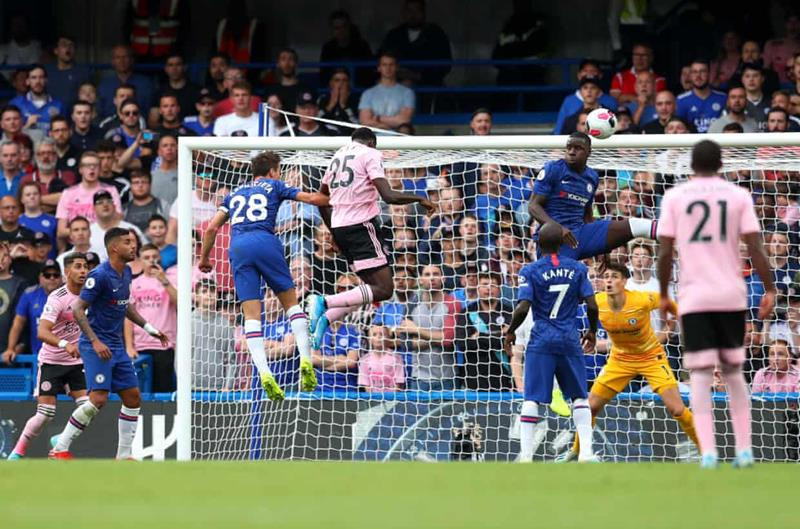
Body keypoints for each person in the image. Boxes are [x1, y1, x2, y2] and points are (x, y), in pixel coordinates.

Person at [656, 139, 776, 469]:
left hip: (695, 297)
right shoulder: (738, 196)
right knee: (735, 372)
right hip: (730, 295)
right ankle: (745, 450)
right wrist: (770, 288)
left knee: (699, 373)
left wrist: (665, 293)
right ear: (721, 164)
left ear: (691, 165)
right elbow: (755, 247)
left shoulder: (675, 197)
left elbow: (665, 251)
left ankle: (708, 453)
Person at [198, 151, 330, 400]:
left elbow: (213, 228)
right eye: (278, 170)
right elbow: (312, 199)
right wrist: (333, 196)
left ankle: (263, 371)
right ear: (272, 171)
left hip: (238, 247)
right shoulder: (275, 184)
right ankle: (305, 359)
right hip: (265, 241)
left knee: (251, 317)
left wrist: (204, 259)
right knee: (292, 305)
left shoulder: (234, 193)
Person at [556, 261, 699, 462]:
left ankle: (707, 450)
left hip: (651, 358)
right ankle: (577, 451)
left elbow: (669, 303)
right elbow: (583, 320)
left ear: (624, 281)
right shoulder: (597, 303)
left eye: (614, 277)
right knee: (590, 407)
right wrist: (590, 336)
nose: (609, 281)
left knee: (676, 409)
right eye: (606, 277)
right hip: (620, 360)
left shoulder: (642, 299)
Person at [307, 128, 435, 348]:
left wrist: (334, 233)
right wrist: (419, 199)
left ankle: (326, 320)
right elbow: (389, 196)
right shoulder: (370, 153)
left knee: (366, 289)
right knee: (385, 290)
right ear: (372, 142)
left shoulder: (337, 156)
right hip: (361, 227)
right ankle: (323, 301)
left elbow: (322, 199)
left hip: (341, 228)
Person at [49, 228, 169, 460]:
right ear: (114, 248)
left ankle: (123, 456)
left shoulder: (124, 272)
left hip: (116, 346)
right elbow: (77, 309)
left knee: (133, 396)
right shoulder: (100, 275)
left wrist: (149, 328)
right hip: (96, 346)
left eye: (133, 242)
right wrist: (94, 342)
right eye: (127, 242)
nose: (133, 246)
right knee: (98, 399)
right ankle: (59, 448)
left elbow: (125, 305)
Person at [503, 222, 598, 463]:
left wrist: (511, 331)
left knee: (532, 398)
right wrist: (593, 331)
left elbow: (523, 306)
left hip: (542, 338)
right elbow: (592, 305)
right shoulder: (578, 268)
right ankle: (586, 453)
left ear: (537, 243)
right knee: (579, 397)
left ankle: (525, 457)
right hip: (569, 337)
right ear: (563, 242)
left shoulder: (530, 270)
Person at [4, 254, 88, 459]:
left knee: (89, 408)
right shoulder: (58, 298)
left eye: (86, 266)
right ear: (67, 273)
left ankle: (61, 440)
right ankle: (17, 452)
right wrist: (64, 343)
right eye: (78, 267)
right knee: (45, 414)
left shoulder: (89, 296)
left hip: (76, 362)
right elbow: (42, 331)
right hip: (52, 361)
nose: (83, 270)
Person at [528, 132, 657, 261]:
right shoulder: (553, 169)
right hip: (555, 242)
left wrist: (600, 248)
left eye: (578, 148)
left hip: (581, 233)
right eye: (569, 148)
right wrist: (558, 229)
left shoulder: (592, 177)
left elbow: (587, 213)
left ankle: (672, 232)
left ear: (589, 152)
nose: (571, 152)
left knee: (636, 225)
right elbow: (533, 206)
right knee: (564, 279)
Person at [124, 244, 176, 392]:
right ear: (140, 261)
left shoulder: (171, 279)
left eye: (154, 257)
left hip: (164, 345)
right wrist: (129, 346)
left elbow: (181, 303)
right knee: (140, 392)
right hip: (140, 347)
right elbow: (128, 317)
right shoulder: (134, 284)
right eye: (147, 258)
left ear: (160, 258)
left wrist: (164, 281)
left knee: (163, 391)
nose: (151, 261)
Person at [377, 0, 452, 86]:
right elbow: (381, 57)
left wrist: (419, 76)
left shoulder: (436, 35)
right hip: (397, 85)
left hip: (428, 86)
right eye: (409, 11)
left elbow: (445, 64)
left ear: (424, 13)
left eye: (417, 10)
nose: (413, 15)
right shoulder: (394, 35)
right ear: (404, 13)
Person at [4, 259, 64, 362]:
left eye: (56, 275)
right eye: (47, 275)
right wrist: (10, 348)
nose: (52, 278)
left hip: (66, 355)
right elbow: (18, 323)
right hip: (39, 357)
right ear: (40, 278)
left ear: (61, 278)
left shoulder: (70, 294)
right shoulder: (30, 294)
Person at [55, 151, 122, 242]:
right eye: (87, 165)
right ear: (80, 169)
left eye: (95, 165)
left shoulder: (111, 190)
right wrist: (83, 233)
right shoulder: (68, 193)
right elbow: (61, 231)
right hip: (75, 245)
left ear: (100, 169)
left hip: (103, 242)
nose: (92, 168)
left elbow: (118, 220)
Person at [553, 60, 619, 135]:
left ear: (598, 91)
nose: (589, 91)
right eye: (585, 88)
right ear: (580, 91)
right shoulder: (571, 120)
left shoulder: (611, 116)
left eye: (593, 87)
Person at [358, 53, 415, 131]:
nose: (388, 68)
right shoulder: (368, 94)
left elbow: (404, 120)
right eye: (384, 65)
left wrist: (377, 118)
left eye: (391, 65)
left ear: (397, 67)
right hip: (373, 139)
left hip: (398, 138)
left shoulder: (407, 93)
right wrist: (383, 126)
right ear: (379, 68)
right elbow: (364, 121)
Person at [319, 10, 373, 87]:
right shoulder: (328, 48)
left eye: (344, 26)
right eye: (336, 28)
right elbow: (324, 75)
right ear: (332, 30)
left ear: (349, 27)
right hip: (334, 91)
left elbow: (369, 74)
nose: (341, 31)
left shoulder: (362, 46)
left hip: (359, 91)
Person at [97, 45, 154, 119]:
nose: (121, 61)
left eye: (125, 57)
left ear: (132, 60)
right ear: (112, 61)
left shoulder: (145, 83)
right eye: (118, 57)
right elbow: (100, 112)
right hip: (109, 127)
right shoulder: (104, 84)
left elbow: (151, 110)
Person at [89, 190, 145, 261]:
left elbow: (146, 252)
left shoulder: (130, 229)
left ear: (114, 206)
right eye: (100, 202)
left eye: (109, 201)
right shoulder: (88, 232)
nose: (105, 205)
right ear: (93, 208)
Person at [675, 60, 727, 134]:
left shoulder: (722, 98)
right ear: (691, 75)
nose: (698, 75)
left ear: (709, 74)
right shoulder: (681, 100)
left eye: (702, 71)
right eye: (695, 72)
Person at [9, 65, 64, 134]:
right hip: (25, 144)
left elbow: (64, 132)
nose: (38, 81)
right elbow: (10, 135)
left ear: (46, 80)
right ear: (27, 81)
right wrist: (27, 126)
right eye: (33, 78)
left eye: (41, 77)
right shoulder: (15, 104)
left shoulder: (58, 105)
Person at [149, 53, 199, 126]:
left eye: (178, 64)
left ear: (185, 67)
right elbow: (153, 121)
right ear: (165, 69)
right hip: (165, 134)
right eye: (170, 65)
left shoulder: (196, 91)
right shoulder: (159, 92)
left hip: (190, 133)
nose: (174, 68)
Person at [45, 36, 89, 112]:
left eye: (71, 45)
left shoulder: (82, 72)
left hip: (75, 118)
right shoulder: (47, 71)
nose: (68, 49)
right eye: (64, 45)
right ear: (56, 50)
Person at [358, 325, 405, 392]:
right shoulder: (364, 360)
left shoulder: (396, 358)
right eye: (374, 335)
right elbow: (366, 384)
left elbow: (399, 383)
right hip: (372, 399)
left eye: (382, 334)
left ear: (388, 338)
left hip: (391, 399)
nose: (378, 337)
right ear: (369, 340)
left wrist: (391, 399)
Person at [18, 182, 58, 256]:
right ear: (21, 199)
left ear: (40, 197)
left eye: (35, 194)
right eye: (28, 195)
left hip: (48, 265)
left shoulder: (53, 220)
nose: (32, 197)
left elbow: (60, 247)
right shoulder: (16, 222)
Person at [318, 69, 359, 134]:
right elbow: (316, 121)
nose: (341, 84)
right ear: (331, 83)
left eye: (344, 80)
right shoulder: (322, 99)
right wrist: (330, 106)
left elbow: (357, 125)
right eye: (337, 80)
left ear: (348, 83)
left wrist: (343, 106)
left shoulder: (355, 100)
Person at [763, 13, 800, 84]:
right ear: (785, 24)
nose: (793, 25)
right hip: (776, 88)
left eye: (797, 22)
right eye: (790, 22)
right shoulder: (772, 45)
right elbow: (765, 70)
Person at [741, 63, 769, 131]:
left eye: (755, 76)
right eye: (747, 76)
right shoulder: (736, 105)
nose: (751, 79)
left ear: (762, 79)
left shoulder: (772, 102)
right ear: (742, 80)